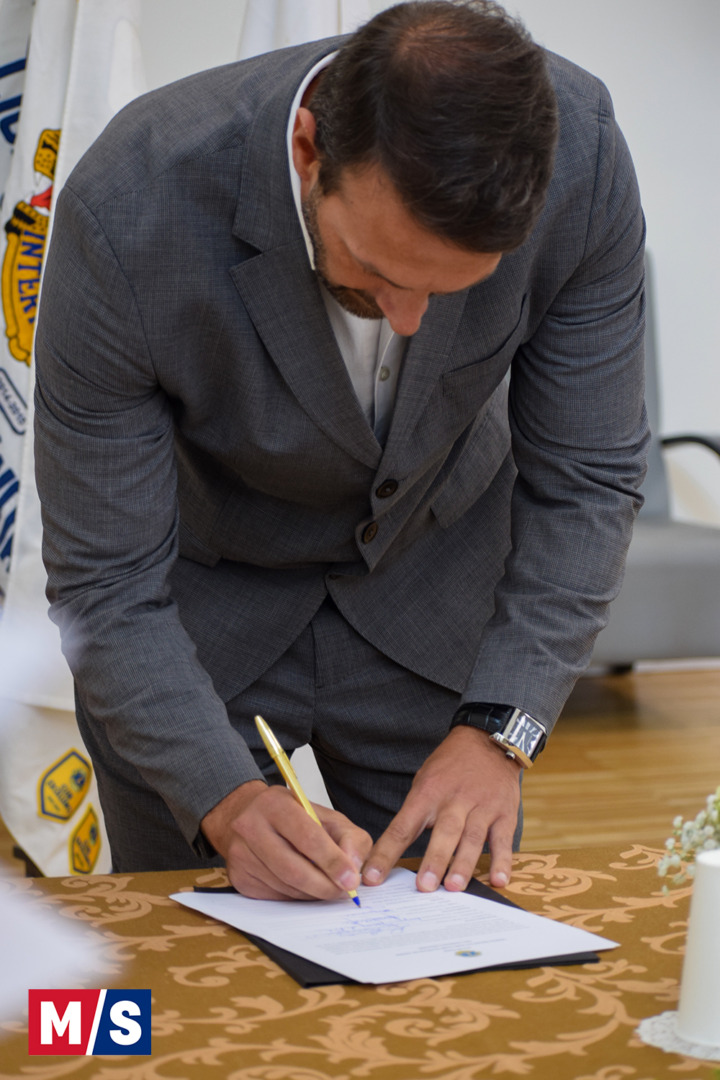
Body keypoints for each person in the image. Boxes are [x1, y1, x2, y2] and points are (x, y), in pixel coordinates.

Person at [34, 0, 648, 902]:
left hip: (436, 602)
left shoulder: (582, 158)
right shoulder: (129, 206)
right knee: (189, 961)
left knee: (456, 955)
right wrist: (224, 802)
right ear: (309, 150)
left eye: (451, 290)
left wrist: (500, 730)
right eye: (380, 273)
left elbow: (587, 478)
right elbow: (106, 580)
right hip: (197, 627)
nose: (410, 320)